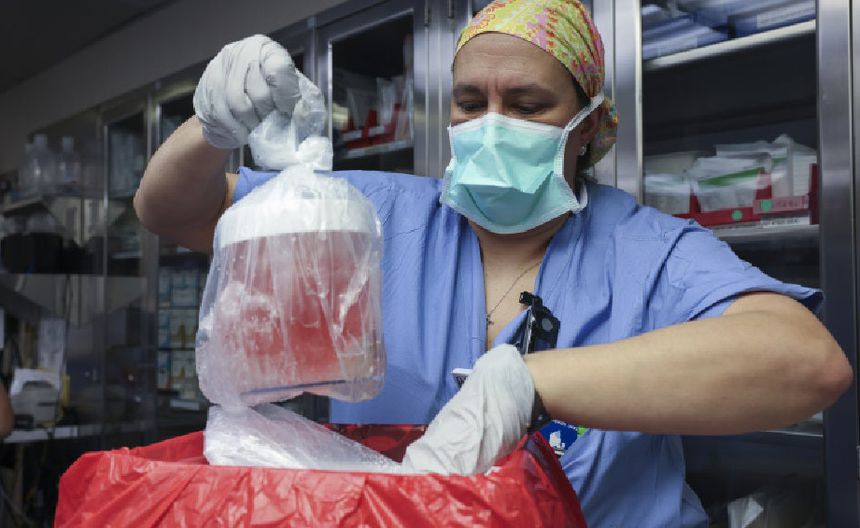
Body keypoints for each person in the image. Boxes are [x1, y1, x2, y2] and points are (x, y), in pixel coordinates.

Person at [135, 0, 852, 525]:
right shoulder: (374, 214)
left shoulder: (649, 251)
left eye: (527, 105)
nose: (491, 126)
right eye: (470, 103)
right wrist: (212, 127)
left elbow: (807, 363)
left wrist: (528, 382)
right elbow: (173, 211)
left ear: (589, 127)